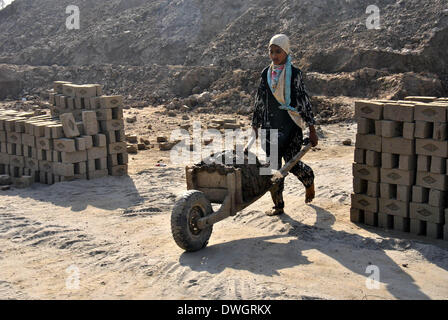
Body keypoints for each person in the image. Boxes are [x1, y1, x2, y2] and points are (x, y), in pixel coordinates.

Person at [251, 34, 318, 216]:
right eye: (271, 51)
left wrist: (312, 129)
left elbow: (304, 101)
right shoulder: (266, 73)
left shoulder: (295, 74)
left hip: (291, 125)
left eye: (278, 52)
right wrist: (255, 124)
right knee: (274, 168)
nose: (274, 55)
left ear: (286, 52)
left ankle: (309, 180)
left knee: (292, 164)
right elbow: (260, 100)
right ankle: (278, 205)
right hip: (270, 126)